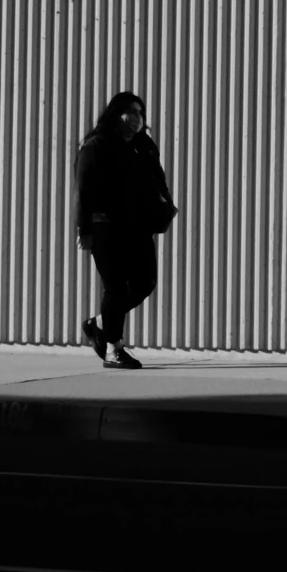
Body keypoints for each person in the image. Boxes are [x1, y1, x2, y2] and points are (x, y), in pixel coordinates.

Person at [75, 91, 178, 369]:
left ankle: (99, 323)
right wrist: (84, 228)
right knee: (116, 287)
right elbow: (84, 189)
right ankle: (113, 348)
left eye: (139, 113)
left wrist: (167, 205)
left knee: (146, 282)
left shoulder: (143, 145)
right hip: (105, 226)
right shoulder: (96, 145)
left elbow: (158, 178)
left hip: (138, 225)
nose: (135, 119)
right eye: (129, 112)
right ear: (115, 114)